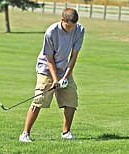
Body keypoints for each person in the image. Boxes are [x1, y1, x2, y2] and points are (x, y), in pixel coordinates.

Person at [19, 8, 85, 142]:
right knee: (39, 100)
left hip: (64, 69)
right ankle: (25, 134)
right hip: (46, 68)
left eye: (73, 26)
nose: (71, 29)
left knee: (71, 99)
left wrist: (65, 77)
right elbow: (49, 59)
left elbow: (73, 57)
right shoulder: (51, 32)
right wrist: (55, 80)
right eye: (68, 26)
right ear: (62, 20)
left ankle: (66, 133)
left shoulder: (80, 30)